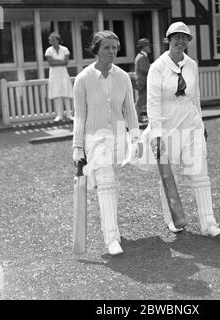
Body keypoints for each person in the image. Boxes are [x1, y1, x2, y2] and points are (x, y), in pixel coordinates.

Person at [146, 21, 220, 237]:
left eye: (184, 37)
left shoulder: (191, 65)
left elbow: (195, 98)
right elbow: (152, 103)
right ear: (168, 39)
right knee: (167, 175)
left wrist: (202, 124)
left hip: (191, 123)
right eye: (176, 37)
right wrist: (156, 134)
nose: (180, 41)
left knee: (200, 174)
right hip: (167, 125)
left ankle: (209, 224)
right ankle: (173, 219)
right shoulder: (157, 67)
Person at [72, 31, 140, 255]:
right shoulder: (83, 79)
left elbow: (129, 110)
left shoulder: (122, 77)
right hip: (95, 138)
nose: (112, 52)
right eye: (106, 48)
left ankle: (113, 229)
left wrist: (135, 137)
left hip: (119, 137)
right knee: (106, 182)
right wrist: (77, 147)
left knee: (111, 184)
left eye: (115, 47)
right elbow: (80, 115)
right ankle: (112, 238)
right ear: (96, 51)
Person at [45, 32, 73, 121]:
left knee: (66, 94)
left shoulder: (65, 49)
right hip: (54, 75)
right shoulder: (48, 50)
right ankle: (59, 115)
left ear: (58, 40)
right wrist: (60, 61)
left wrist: (56, 61)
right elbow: (51, 63)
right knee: (57, 95)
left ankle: (69, 114)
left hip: (63, 74)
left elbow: (66, 62)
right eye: (50, 40)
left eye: (53, 39)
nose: (52, 41)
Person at [134, 38, 151, 122]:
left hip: (143, 82)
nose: (149, 48)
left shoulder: (142, 56)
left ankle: (139, 118)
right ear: (144, 47)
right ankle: (137, 118)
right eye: (148, 46)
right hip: (143, 82)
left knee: (143, 100)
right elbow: (145, 69)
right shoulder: (142, 57)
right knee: (141, 101)